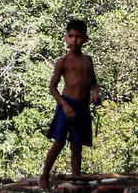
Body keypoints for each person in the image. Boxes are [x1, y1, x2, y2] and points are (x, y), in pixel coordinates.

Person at [39, 18, 100, 192]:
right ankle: (44, 175)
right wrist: (64, 105)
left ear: (85, 39)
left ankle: (75, 179)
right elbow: (52, 87)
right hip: (67, 105)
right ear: (66, 38)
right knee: (58, 143)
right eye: (70, 36)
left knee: (77, 145)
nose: (74, 40)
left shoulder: (88, 60)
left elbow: (93, 82)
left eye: (78, 36)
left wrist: (95, 93)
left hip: (82, 107)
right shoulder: (62, 62)